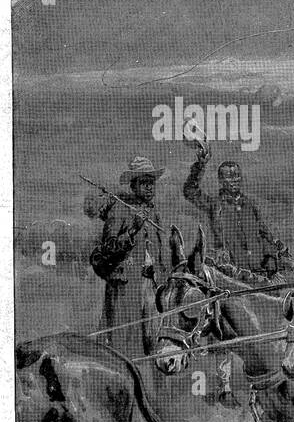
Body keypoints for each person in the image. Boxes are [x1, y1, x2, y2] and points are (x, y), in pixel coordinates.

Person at [86, 156, 167, 361]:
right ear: (134, 185)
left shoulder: (153, 212)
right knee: (123, 340)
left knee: (152, 338)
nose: (150, 187)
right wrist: (133, 229)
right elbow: (108, 247)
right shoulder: (120, 209)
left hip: (150, 283)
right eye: (144, 183)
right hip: (126, 283)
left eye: (152, 183)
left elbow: (158, 250)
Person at [183, 147, 280, 276]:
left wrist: (270, 256)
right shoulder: (214, 205)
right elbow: (190, 191)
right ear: (221, 180)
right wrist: (200, 166)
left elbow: (265, 233)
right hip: (232, 273)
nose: (234, 180)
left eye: (237, 176)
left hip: (259, 271)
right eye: (229, 177)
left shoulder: (250, 205)